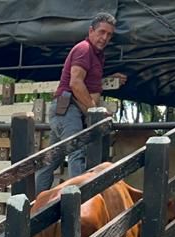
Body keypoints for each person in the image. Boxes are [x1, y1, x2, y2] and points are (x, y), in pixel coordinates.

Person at [50, 12, 126, 178]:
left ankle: (34, 201)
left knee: (51, 162)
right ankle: (80, 201)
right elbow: (76, 83)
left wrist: (111, 79)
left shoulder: (97, 55)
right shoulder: (84, 49)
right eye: (101, 32)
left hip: (68, 110)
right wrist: (95, 110)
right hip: (68, 108)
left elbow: (89, 81)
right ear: (91, 31)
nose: (105, 38)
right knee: (77, 153)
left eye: (109, 34)